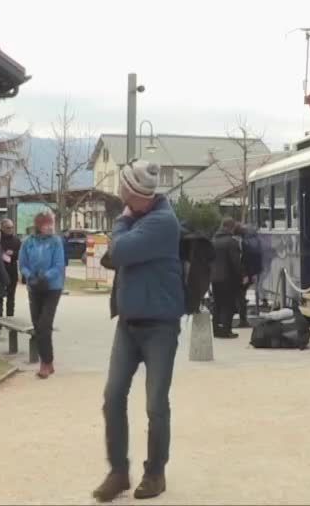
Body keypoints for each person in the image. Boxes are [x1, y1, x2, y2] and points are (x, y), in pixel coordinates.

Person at [93, 160, 184, 503]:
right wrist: (126, 223)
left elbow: (119, 251)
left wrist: (121, 224)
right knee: (113, 396)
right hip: (128, 325)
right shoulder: (135, 218)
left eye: (123, 188)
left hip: (160, 326)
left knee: (155, 404)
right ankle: (118, 472)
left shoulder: (162, 222)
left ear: (134, 191)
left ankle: (155, 472)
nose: (119, 192)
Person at [21, 209, 67, 379]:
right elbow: (23, 264)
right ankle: (48, 361)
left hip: (52, 287)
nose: (51, 227)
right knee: (37, 325)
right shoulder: (28, 242)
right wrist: (30, 276)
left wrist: (46, 276)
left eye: (52, 223)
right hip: (34, 287)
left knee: (44, 324)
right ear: (39, 225)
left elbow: (59, 264)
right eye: (48, 223)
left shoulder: (56, 242)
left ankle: (45, 363)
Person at [210, 218, 243, 338]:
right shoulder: (231, 242)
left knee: (217, 304)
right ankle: (226, 330)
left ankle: (216, 330)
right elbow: (236, 262)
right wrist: (241, 276)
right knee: (227, 305)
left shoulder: (213, 240)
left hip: (214, 278)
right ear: (231, 227)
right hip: (228, 278)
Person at [0, 218, 22, 329]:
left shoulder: (16, 240)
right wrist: (5, 255)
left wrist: (13, 253)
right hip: (0, 271)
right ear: (2, 228)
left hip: (12, 271)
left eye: (12, 227)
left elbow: (20, 254)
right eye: (8, 228)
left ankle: (10, 319)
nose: (10, 230)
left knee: (11, 297)